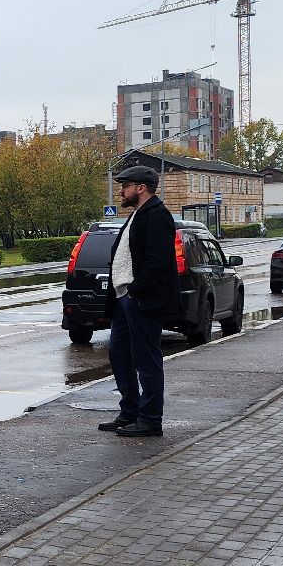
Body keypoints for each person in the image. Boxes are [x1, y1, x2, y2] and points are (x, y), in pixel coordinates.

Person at [101, 165, 179, 438]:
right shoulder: (137, 214)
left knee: (146, 360)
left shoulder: (157, 215)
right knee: (119, 354)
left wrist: (136, 290)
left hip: (140, 299)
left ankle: (150, 419)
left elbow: (157, 261)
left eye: (125, 186)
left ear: (141, 188)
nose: (120, 190)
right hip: (124, 299)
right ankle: (130, 412)